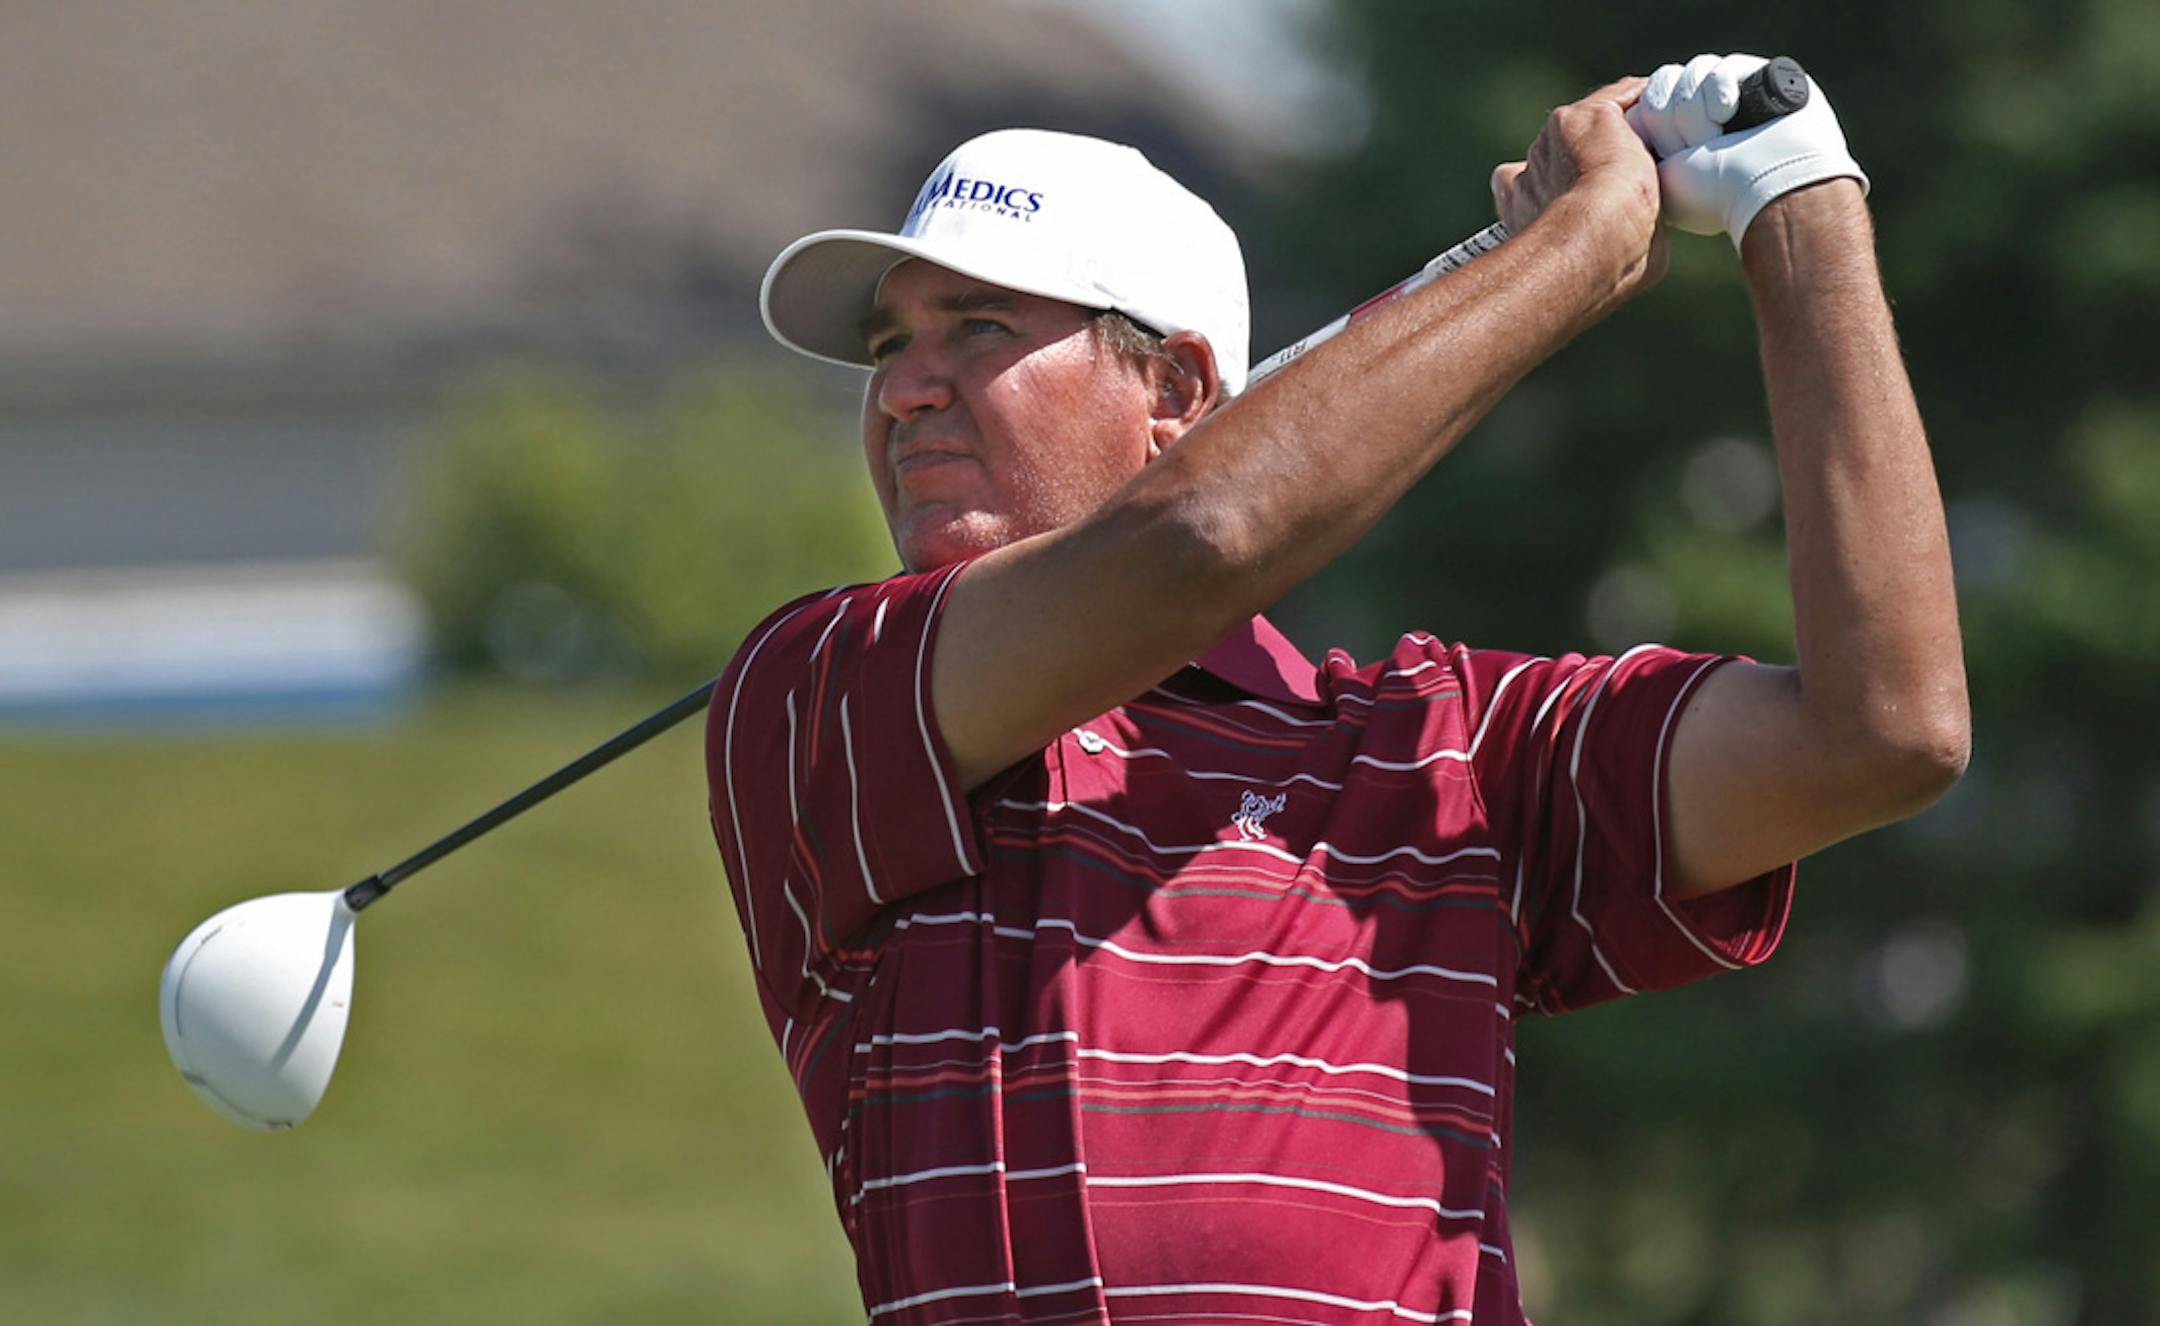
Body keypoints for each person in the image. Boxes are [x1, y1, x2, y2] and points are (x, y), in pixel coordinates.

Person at [707, 52, 1967, 1325]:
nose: (904, 388)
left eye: (980, 327)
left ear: (1179, 393)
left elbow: (1882, 730)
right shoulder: (818, 690)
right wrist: (1573, 252)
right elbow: (1200, 538)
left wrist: (1800, 200)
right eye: (890, 345)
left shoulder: (1452, 750)